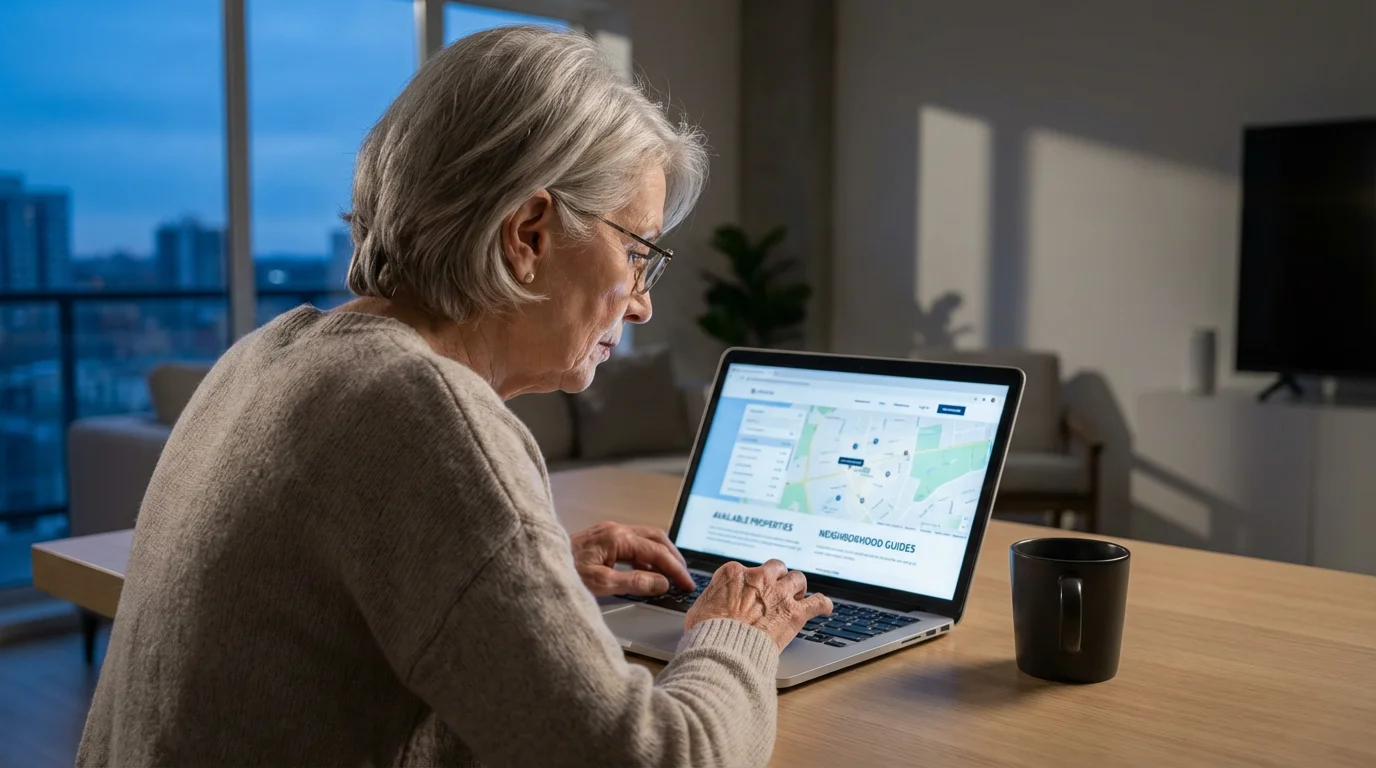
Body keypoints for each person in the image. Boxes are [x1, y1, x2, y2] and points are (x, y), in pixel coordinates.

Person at [77, 25, 832, 768]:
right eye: (637, 253)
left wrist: (538, 582)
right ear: (529, 233)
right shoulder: (422, 413)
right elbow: (653, 761)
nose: (641, 304)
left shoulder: (267, 357)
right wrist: (740, 632)